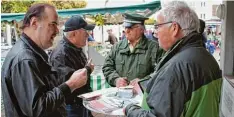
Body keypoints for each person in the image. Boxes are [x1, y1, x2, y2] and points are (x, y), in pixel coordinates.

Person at [124, 1, 222, 117]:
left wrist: (130, 109)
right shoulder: (205, 56)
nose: (156, 33)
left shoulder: (175, 68)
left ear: (174, 28)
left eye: (158, 26)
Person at [1, 3, 88, 117]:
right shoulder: (25, 59)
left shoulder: (33, 54)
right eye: (52, 24)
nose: (57, 30)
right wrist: (71, 84)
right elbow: (38, 108)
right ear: (34, 23)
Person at [49, 15, 94, 117]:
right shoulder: (61, 54)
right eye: (85, 32)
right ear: (74, 34)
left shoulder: (76, 48)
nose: (88, 35)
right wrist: (87, 69)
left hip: (80, 102)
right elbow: (68, 82)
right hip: (70, 106)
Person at [102, 13, 164, 87]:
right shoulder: (117, 47)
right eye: (125, 27)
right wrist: (116, 80)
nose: (126, 31)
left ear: (141, 30)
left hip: (144, 96)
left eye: (130, 28)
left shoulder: (155, 48)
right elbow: (107, 66)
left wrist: (143, 83)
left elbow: (162, 71)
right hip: (121, 95)